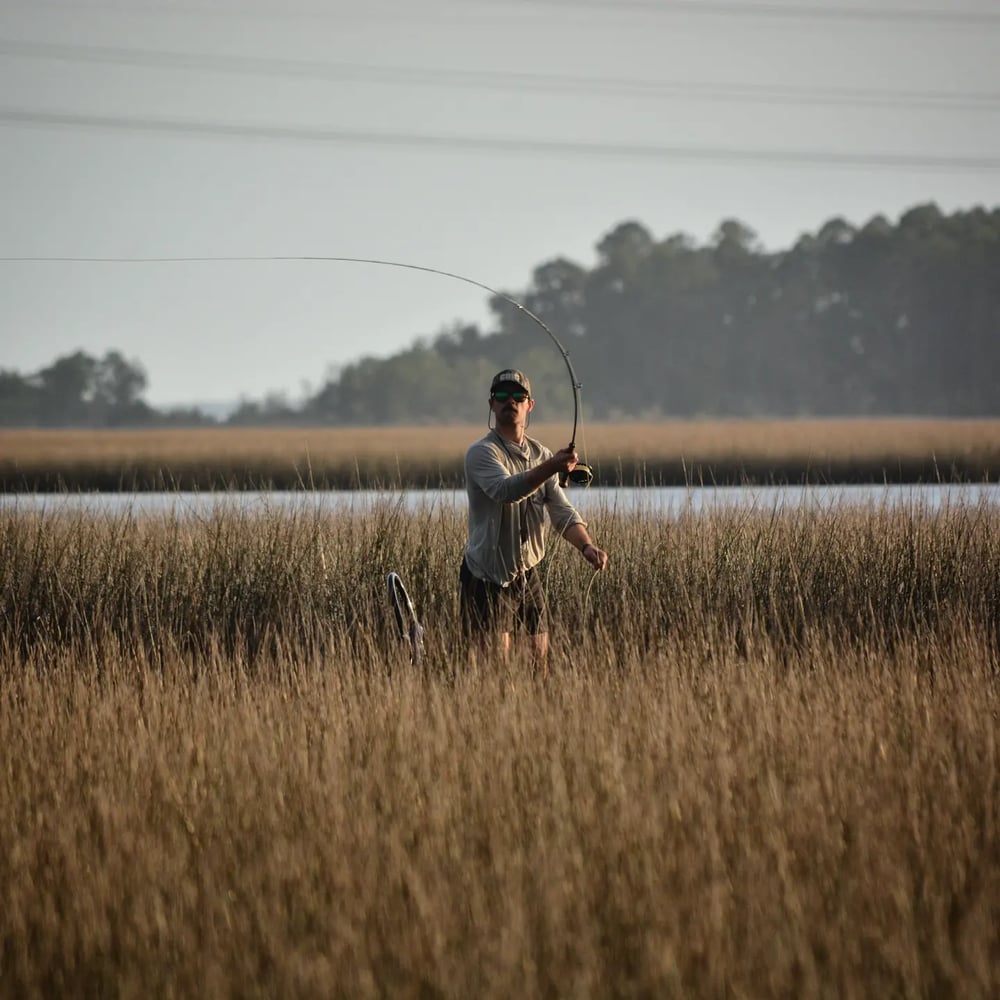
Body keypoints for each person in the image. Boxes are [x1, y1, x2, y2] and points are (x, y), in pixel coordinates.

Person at [459, 368, 609, 664]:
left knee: (537, 663)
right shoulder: (481, 453)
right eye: (502, 396)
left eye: (518, 396)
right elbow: (505, 491)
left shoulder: (542, 454)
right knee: (495, 669)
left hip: (527, 573)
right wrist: (552, 467)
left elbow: (562, 512)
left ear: (530, 405)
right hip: (487, 576)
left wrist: (587, 546)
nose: (509, 401)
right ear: (491, 404)